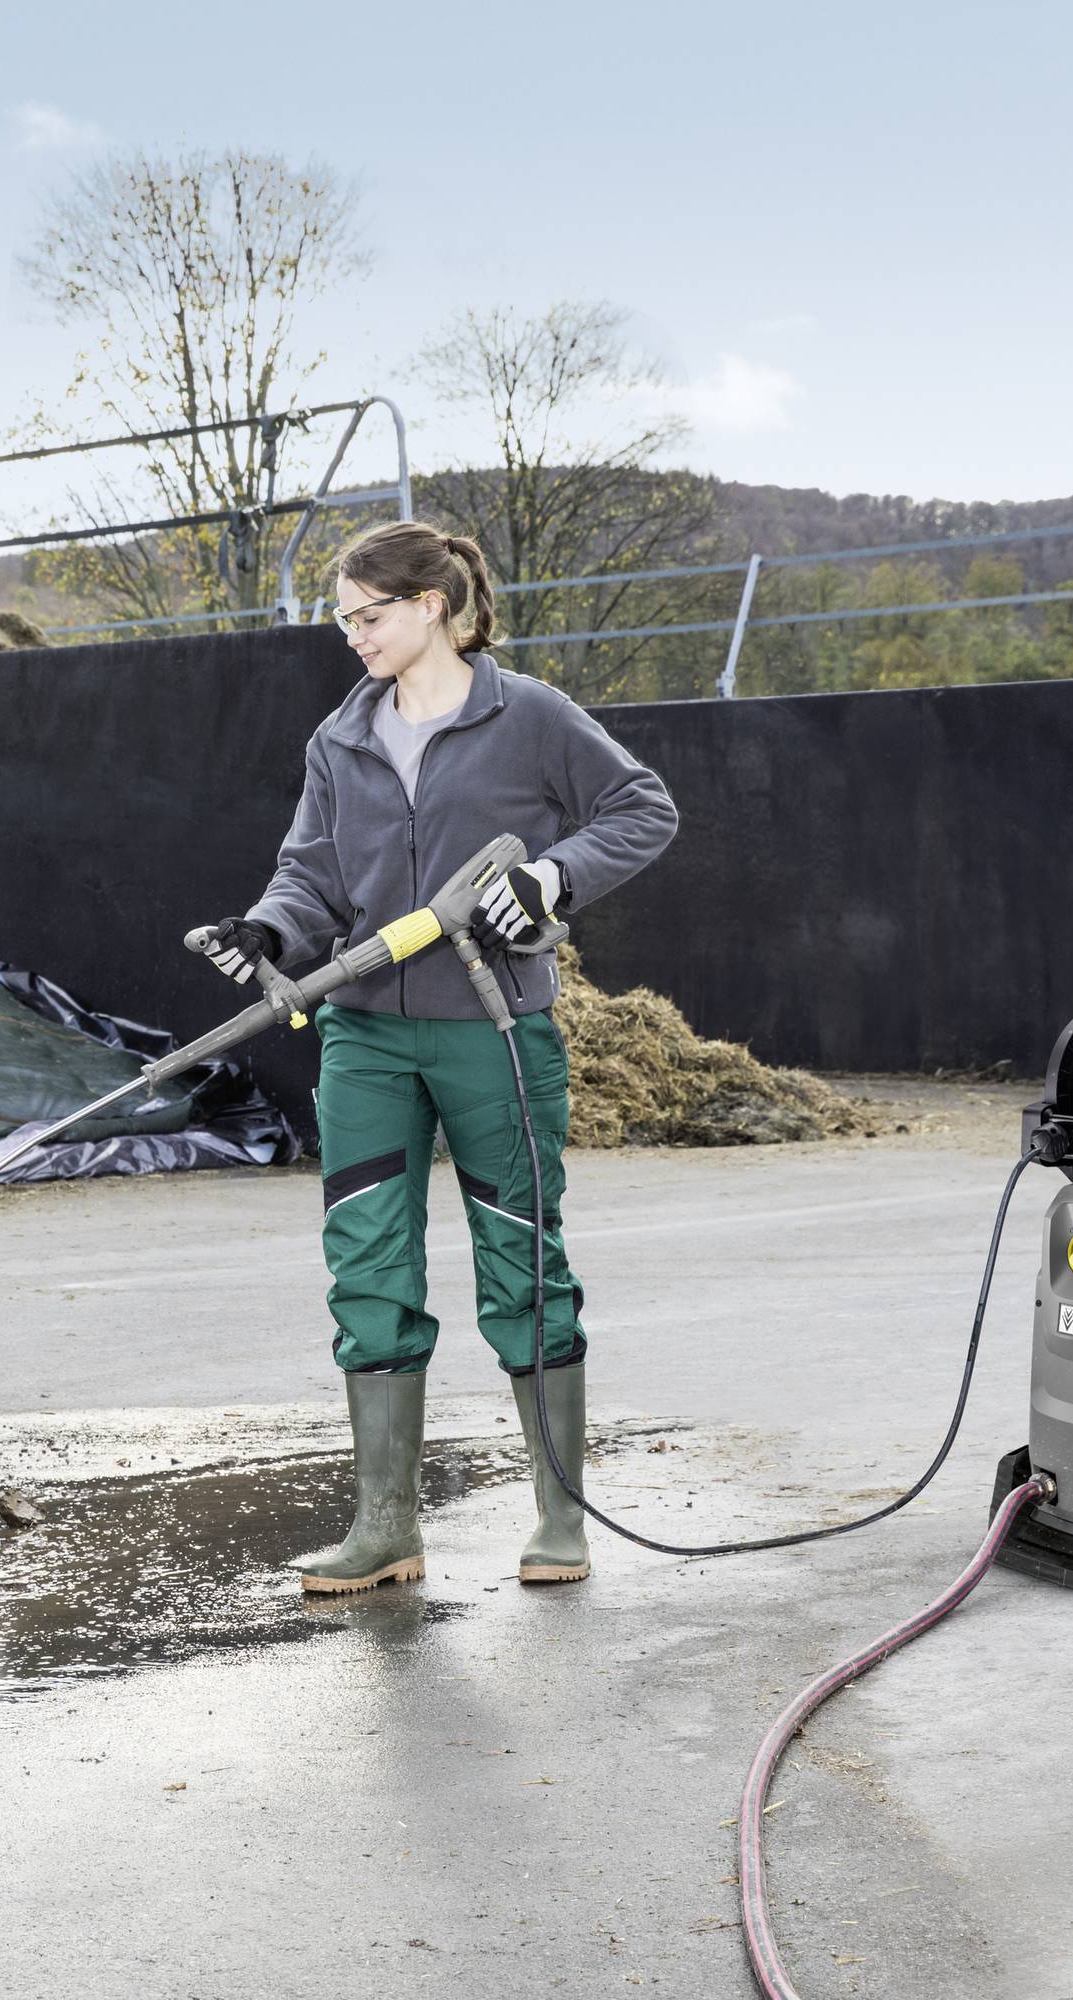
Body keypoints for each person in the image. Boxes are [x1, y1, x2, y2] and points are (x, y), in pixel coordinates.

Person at [189, 521, 677, 1594]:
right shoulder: (340, 738)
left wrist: (556, 876)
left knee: (523, 1263)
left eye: (369, 614)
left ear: (435, 606)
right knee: (366, 1265)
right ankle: (385, 1528)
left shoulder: (531, 717)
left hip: (493, 1028)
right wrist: (270, 930)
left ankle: (560, 1517)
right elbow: (311, 874)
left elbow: (643, 807)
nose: (353, 635)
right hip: (363, 1033)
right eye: (343, 618)